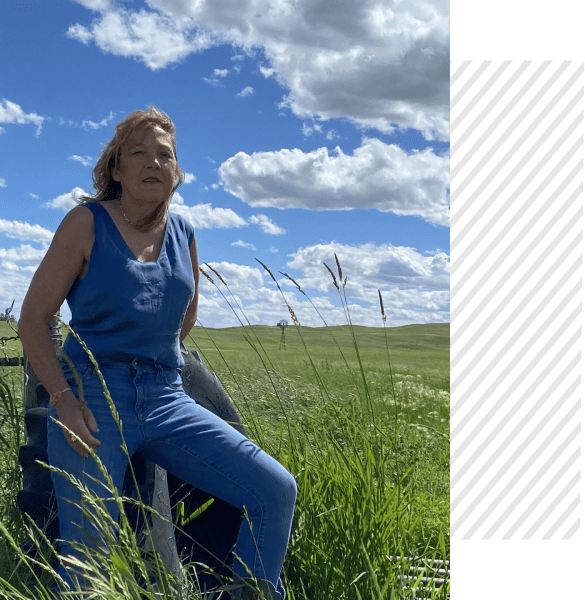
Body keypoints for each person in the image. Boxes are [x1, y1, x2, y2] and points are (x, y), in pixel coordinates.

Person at [18, 107, 296, 600]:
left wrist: (158, 354)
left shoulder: (184, 232)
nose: (152, 162)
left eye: (164, 155)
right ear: (116, 169)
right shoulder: (86, 223)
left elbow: (185, 315)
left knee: (274, 491)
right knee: (87, 567)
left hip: (168, 395)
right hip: (95, 396)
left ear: (177, 171)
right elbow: (35, 319)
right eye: (138, 153)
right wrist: (64, 401)